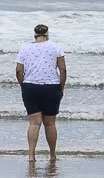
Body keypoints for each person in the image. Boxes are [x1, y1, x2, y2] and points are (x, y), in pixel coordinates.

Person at [15, 23, 67, 155]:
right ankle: (52, 154)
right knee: (50, 124)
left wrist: (23, 85)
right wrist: (61, 86)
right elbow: (62, 69)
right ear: (47, 35)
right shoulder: (55, 46)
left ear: (35, 35)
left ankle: (31, 154)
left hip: (30, 86)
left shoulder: (25, 47)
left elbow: (18, 71)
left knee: (34, 123)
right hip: (51, 86)